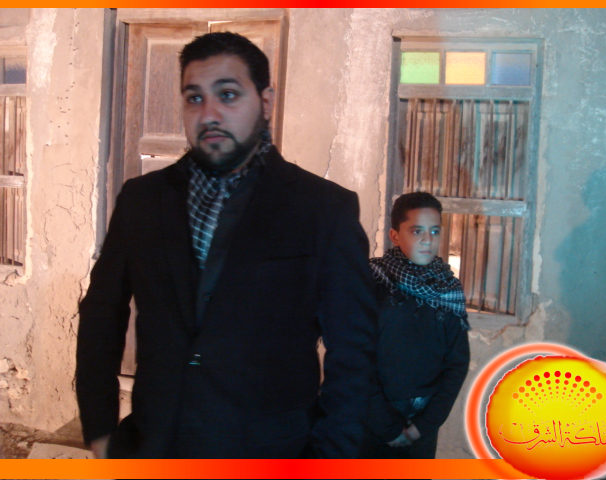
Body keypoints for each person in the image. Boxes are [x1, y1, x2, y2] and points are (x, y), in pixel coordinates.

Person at [76, 32, 377, 459]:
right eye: (194, 98)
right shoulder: (142, 200)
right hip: (154, 445)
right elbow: (102, 314)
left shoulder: (323, 210)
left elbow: (354, 352)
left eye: (228, 95)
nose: (209, 114)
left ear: (266, 102)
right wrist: (101, 430)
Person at [361, 192, 470, 459]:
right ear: (395, 236)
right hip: (371, 421)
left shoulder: (447, 290)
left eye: (434, 231)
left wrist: (424, 425)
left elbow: (457, 363)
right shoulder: (372, 283)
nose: (427, 240)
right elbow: (357, 357)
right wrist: (386, 426)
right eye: (417, 231)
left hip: (422, 427)